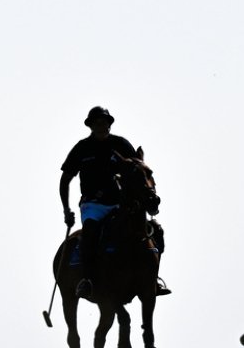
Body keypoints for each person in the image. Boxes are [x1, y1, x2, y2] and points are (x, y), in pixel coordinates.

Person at [60, 106, 166, 299]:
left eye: (105, 122)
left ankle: (153, 280)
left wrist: (146, 196)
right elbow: (65, 179)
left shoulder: (121, 144)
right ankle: (87, 280)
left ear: (110, 123)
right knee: (91, 232)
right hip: (93, 205)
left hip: (120, 204)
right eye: (97, 122)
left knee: (155, 230)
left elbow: (138, 170)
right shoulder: (82, 148)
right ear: (91, 125)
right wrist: (66, 210)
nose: (102, 125)